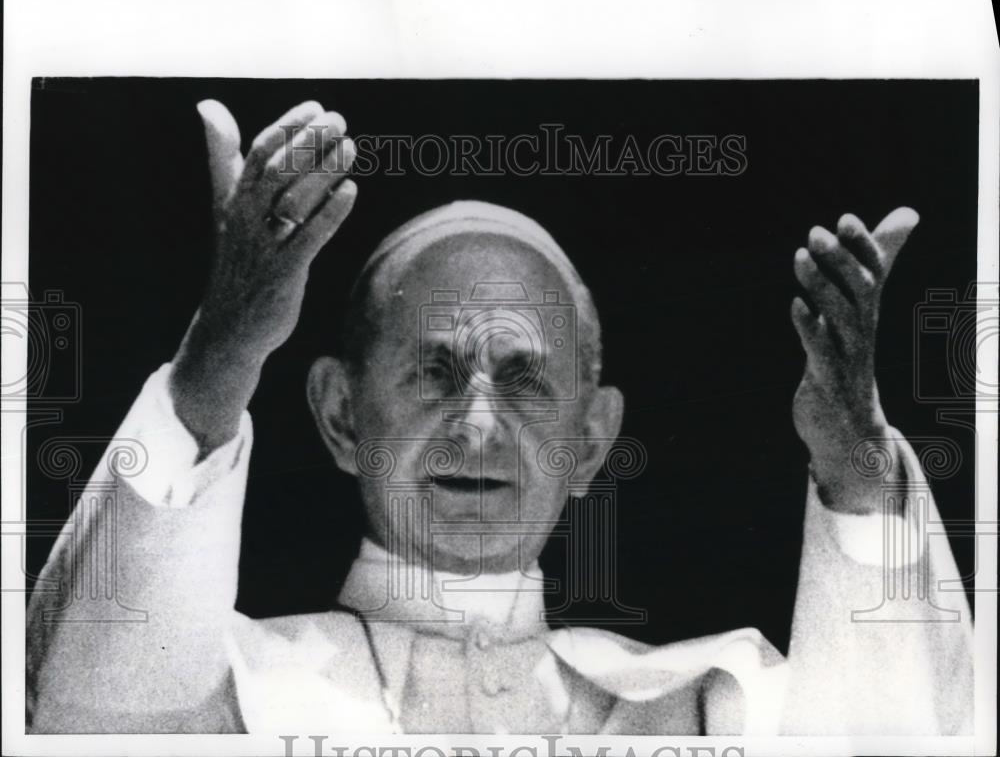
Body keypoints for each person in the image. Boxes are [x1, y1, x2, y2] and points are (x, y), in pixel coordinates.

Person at [26, 99, 973, 735]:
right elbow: (84, 710)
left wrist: (857, 467)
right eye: (435, 372)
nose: (478, 428)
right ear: (341, 415)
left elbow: (890, 742)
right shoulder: (222, 692)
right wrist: (217, 357)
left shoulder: (711, 709)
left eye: (524, 381)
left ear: (590, 441)